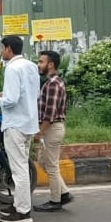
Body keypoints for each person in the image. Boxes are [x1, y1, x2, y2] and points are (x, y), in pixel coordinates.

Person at [0, 36, 40, 222]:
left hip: (15, 124)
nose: (1, 52)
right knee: (22, 166)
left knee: (18, 169)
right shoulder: (31, 66)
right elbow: (32, 93)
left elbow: (11, 100)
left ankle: (23, 212)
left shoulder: (12, 68)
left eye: (2, 48)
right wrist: (4, 95)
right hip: (29, 122)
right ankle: (18, 205)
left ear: (8, 49)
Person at [33, 51, 74, 212]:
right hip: (52, 128)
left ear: (50, 65)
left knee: (51, 166)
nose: (38, 65)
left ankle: (55, 201)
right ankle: (63, 193)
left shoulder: (52, 85)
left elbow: (49, 114)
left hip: (51, 128)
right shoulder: (53, 82)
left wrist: (40, 133)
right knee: (44, 161)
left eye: (41, 62)